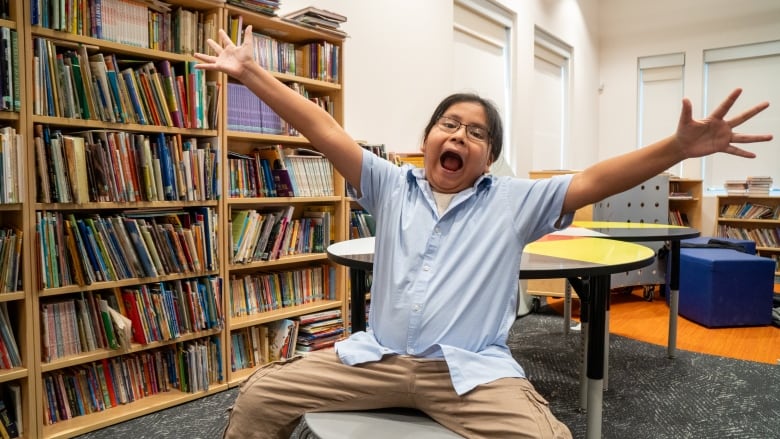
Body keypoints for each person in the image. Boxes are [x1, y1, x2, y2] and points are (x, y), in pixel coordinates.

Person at [194, 26, 772, 439]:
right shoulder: (389, 185)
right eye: (449, 124)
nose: (460, 136)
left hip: (467, 375)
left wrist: (677, 147)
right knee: (260, 396)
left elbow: (595, 178)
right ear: (426, 140)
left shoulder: (516, 201)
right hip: (377, 361)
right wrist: (251, 74)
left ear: (489, 157)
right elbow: (323, 127)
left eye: (476, 133)